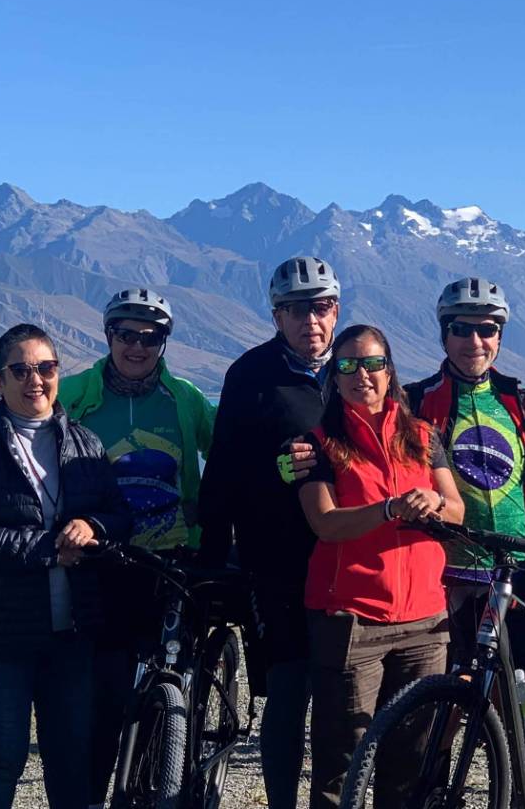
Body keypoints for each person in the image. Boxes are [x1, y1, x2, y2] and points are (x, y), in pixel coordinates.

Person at [0, 323, 131, 809]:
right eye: (20, 370)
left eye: (46, 368)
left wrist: (92, 525)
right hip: (2, 636)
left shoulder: (84, 444)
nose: (35, 380)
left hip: (72, 631)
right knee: (3, 757)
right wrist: (46, 547)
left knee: (70, 757)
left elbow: (119, 515)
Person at [294, 324, 465, 809]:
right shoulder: (317, 443)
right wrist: (390, 509)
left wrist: (432, 499)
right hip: (352, 623)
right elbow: (325, 523)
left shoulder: (422, 436)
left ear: (390, 371)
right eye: (346, 365)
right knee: (340, 766)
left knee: (410, 766)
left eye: (371, 363)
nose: (360, 375)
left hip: (426, 624)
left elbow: (456, 509)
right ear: (334, 374)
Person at [60, 289, 217, 806]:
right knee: (104, 696)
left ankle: (173, 778)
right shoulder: (77, 393)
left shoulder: (186, 399)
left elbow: (225, 456)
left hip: (173, 560)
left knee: (173, 682)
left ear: (164, 343)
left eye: (151, 338)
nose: (138, 347)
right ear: (108, 337)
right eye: (127, 335)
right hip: (103, 561)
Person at [197, 256, 342, 809]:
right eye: (297, 310)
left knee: (339, 693)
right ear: (276, 316)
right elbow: (225, 471)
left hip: (346, 554)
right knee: (287, 689)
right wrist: (212, 560)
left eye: (322, 307)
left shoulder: (355, 369)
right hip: (276, 559)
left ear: (337, 309)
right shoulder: (251, 375)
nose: (312, 321)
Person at [401, 278, 525, 665]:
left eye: (487, 329)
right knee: (448, 694)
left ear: (499, 337)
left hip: (519, 574)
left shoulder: (519, 402)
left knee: (514, 691)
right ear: (444, 335)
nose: (474, 341)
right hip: (447, 576)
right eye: (461, 329)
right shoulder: (416, 401)